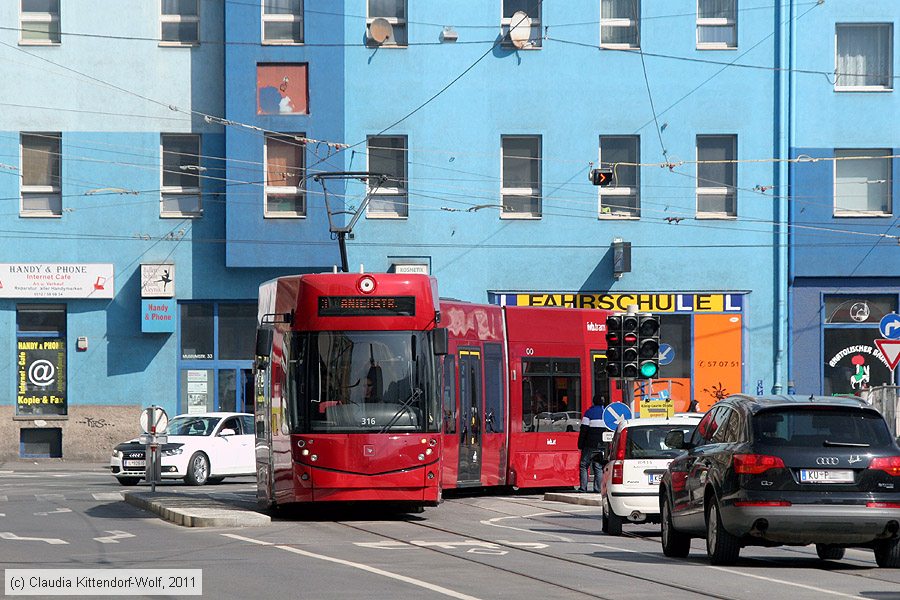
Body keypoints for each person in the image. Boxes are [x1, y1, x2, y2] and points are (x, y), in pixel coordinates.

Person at [577, 394, 608, 493]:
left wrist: (580, 445)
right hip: (602, 445)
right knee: (598, 466)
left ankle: (583, 488)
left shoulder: (589, 413)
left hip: (589, 444)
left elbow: (583, 430)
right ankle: (597, 488)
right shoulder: (607, 414)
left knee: (584, 465)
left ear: (593, 402)